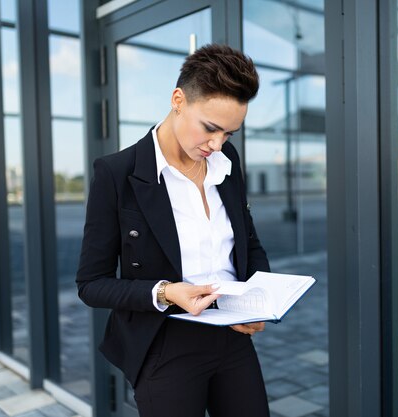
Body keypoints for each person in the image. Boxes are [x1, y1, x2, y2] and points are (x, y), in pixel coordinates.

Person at [76, 44, 270, 417]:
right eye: (211, 129)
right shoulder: (117, 174)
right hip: (164, 342)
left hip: (232, 336)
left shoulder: (227, 161)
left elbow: (247, 241)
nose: (217, 145)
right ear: (178, 99)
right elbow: (91, 284)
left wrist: (260, 297)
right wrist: (166, 292)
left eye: (229, 134)